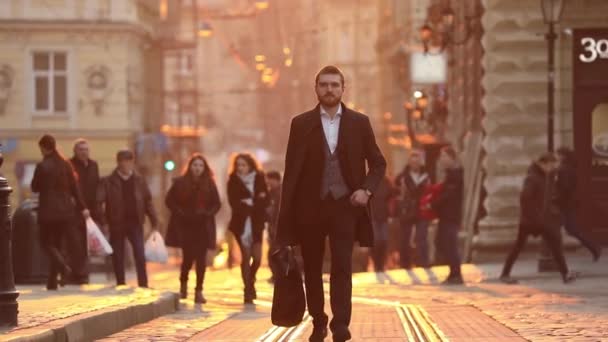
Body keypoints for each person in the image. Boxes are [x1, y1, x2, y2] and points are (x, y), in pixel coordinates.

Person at [275, 66, 386, 342]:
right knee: (312, 268)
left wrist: (366, 191)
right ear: (316, 89)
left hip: (345, 206)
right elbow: (291, 172)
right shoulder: (300, 124)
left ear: (343, 88)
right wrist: (286, 217)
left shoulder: (359, 122)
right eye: (324, 85)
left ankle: (341, 325)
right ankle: (319, 321)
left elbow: (378, 163)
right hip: (309, 208)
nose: (329, 89)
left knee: (342, 266)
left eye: (335, 85)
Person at [500, 153, 577, 284]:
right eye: (551, 165)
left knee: (555, 244)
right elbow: (525, 198)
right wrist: (534, 215)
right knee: (518, 246)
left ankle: (565, 274)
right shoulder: (532, 178)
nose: (552, 168)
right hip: (530, 220)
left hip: (542, 219)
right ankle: (505, 273)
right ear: (543, 164)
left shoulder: (546, 176)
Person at [31, 134, 90, 290]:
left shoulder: (43, 166)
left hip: (48, 212)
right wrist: (83, 207)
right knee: (57, 245)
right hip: (66, 212)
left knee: (45, 242)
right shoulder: (66, 164)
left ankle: (63, 267)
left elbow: (34, 187)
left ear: (43, 148)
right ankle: (52, 282)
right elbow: (75, 189)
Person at [98, 149, 158, 288]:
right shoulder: (108, 181)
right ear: (119, 163)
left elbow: (147, 200)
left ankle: (143, 284)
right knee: (118, 255)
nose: (127, 165)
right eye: (124, 162)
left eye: (130, 162)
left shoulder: (139, 180)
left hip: (135, 222)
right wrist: (104, 222)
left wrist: (154, 220)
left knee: (140, 253)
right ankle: (121, 283)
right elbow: (98, 202)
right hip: (116, 223)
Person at [165, 153, 220, 304]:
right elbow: (169, 201)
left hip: (202, 226)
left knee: (201, 260)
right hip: (186, 226)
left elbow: (217, 203)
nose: (197, 168)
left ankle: (199, 291)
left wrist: (208, 213)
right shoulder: (181, 183)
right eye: (195, 165)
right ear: (190, 167)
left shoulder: (209, 184)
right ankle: (183, 286)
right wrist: (180, 212)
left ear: (205, 168)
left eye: (201, 166)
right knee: (188, 259)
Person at [227, 153, 269, 304]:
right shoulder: (233, 181)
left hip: (256, 224)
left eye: (243, 165)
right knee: (246, 257)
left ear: (250, 165)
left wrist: (251, 202)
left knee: (257, 258)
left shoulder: (259, 177)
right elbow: (234, 203)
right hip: (240, 225)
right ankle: (247, 290)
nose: (240, 168)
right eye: (238, 165)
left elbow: (266, 200)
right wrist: (254, 201)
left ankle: (251, 280)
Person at [556, 147, 601, 261]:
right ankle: (593, 247)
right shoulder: (569, 167)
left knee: (571, 229)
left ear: (563, 156)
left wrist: (556, 198)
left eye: (558, 154)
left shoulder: (563, 169)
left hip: (564, 204)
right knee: (566, 229)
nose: (556, 157)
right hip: (567, 203)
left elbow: (565, 188)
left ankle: (594, 247)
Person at [69, 138, 100, 284]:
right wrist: (82, 207)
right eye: (81, 150)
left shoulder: (94, 165)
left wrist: (96, 210)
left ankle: (82, 274)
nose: (84, 152)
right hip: (74, 211)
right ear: (75, 151)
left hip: (90, 212)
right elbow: (73, 188)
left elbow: (96, 187)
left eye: (86, 149)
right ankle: (77, 274)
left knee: (85, 243)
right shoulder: (70, 165)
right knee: (75, 243)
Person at [432, 146, 464, 285]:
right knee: (443, 244)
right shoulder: (450, 174)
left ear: (452, 158)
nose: (441, 159)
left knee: (451, 245)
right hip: (445, 216)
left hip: (451, 216)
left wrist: (434, 203)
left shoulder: (456, 175)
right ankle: (453, 273)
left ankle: (456, 274)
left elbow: (448, 196)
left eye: (444, 156)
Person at [395, 149, 431, 269]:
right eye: (413, 161)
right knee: (404, 238)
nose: (415, 164)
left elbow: (430, 191)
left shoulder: (427, 176)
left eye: (417, 161)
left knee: (422, 237)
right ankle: (405, 263)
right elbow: (396, 192)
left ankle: (423, 262)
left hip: (421, 209)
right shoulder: (402, 177)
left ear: (421, 162)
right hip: (407, 210)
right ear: (409, 163)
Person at [370, 175, 397, 272]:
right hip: (372, 216)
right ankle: (377, 265)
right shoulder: (368, 180)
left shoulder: (387, 182)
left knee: (384, 241)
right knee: (376, 241)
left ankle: (381, 264)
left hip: (384, 216)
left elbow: (392, 195)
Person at [265, 170, 282, 283]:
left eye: (270, 180)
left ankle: (278, 275)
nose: (268, 182)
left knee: (274, 253)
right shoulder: (270, 193)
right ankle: (277, 275)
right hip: (272, 227)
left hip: (278, 227)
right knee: (274, 252)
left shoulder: (280, 193)